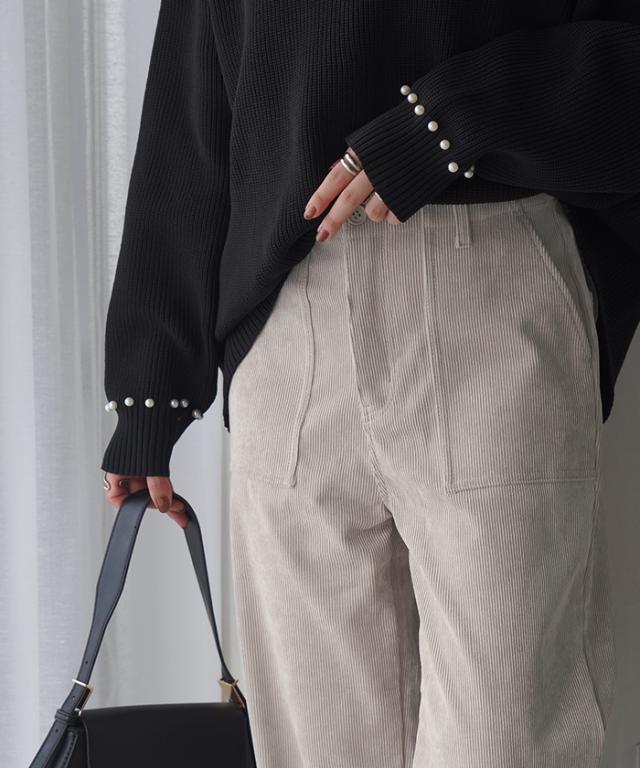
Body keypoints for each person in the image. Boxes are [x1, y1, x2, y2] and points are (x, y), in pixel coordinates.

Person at [101, 1, 640, 765]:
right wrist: (150, 383)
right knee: (316, 743)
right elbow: (193, 93)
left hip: (490, 282)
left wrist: (456, 119)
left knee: (507, 735)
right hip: (287, 318)